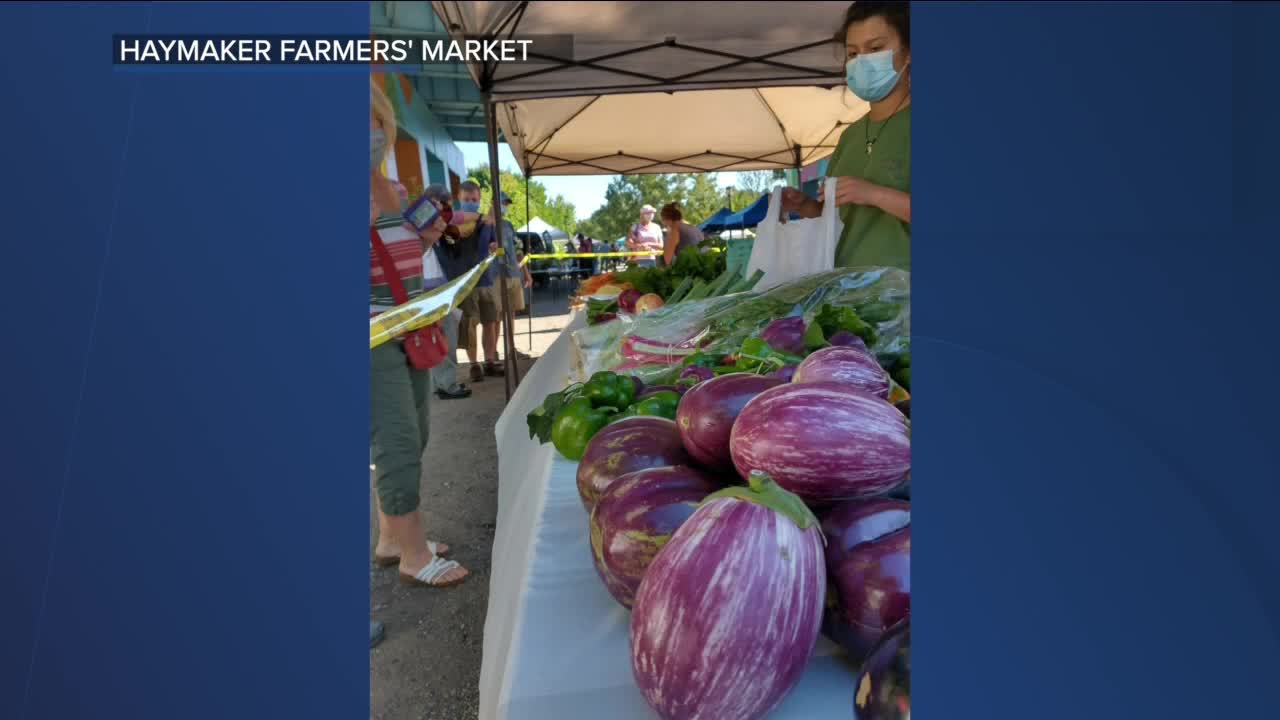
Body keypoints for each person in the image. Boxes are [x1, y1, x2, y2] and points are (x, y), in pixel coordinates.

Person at [369, 77, 468, 590]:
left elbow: (394, 250)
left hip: (406, 323)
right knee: (398, 440)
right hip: (369, 335)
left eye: (372, 120)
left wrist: (419, 235)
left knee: (418, 431)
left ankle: (390, 537)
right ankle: (411, 552)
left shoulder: (385, 179)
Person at [780, 0, 911, 270]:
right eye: (852, 53)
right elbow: (837, 214)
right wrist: (805, 206)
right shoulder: (850, 136)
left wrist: (874, 194)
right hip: (850, 290)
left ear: (908, 52)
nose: (862, 61)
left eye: (875, 49)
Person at [442, 180, 500, 383]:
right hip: (464, 281)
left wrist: (494, 246)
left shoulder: (487, 221)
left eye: (474, 199)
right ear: (459, 199)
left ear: (479, 199)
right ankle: (474, 365)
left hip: (485, 279)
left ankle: (490, 361)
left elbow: (493, 242)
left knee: (490, 322)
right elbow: (448, 247)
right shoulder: (452, 221)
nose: (471, 203)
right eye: (467, 200)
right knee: (469, 326)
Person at [419, 183, 471, 400]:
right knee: (444, 339)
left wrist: (447, 231)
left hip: (440, 288)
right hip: (430, 291)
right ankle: (448, 385)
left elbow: (455, 248)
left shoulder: (440, 231)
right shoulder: (419, 224)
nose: (446, 212)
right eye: (444, 206)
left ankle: (439, 383)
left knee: (438, 338)